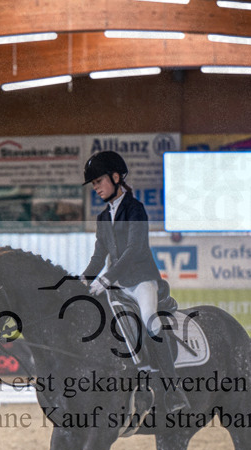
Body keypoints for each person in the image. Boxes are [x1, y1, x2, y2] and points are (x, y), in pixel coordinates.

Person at [80, 150, 190, 414]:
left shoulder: (135, 209)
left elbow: (134, 249)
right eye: (93, 184)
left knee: (150, 320)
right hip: (116, 285)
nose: (96, 188)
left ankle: (173, 390)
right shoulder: (102, 218)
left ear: (116, 177)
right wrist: (81, 280)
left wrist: (106, 279)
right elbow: (98, 256)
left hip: (141, 280)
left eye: (99, 182)